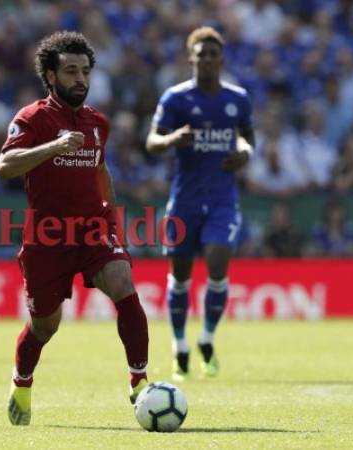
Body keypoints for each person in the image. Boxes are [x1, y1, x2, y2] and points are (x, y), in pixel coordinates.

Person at [0, 31, 149, 426]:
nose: (80, 79)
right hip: (47, 236)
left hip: (94, 229)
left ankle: (139, 381)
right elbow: (5, 166)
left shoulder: (98, 122)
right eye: (70, 71)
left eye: (85, 71)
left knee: (123, 284)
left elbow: (100, 169)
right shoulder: (32, 118)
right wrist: (53, 147)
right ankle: (22, 381)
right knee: (45, 326)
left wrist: (112, 217)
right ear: (50, 76)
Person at [146, 27, 255, 381]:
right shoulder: (176, 99)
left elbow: (248, 139)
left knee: (217, 262)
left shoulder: (238, 99)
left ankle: (207, 340)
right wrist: (173, 138)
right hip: (185, 202)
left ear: (221, 60)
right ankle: (180, 347)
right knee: (180, 277)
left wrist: (244, 153)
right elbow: (151, 142)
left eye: (213, 54)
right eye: (201, 54)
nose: (207, 59)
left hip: (223, 199)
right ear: (191, 58)